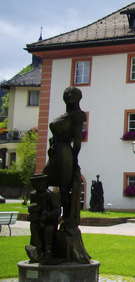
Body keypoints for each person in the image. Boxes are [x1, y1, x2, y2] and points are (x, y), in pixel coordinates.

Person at [43, 86, 86, 225]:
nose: (68, 96)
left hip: (66, 152)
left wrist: (73, 159)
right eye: (66, 93)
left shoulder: (78, 115)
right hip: (55, 151)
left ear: (78, 98)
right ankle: (49, 211)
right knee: (42, 181)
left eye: (71, 94)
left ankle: (67, 219)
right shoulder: (64, 115)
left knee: (64, 187)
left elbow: (78, 142)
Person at [27, 174, 61, 263]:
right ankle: (39, 250)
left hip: (50, 221)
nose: (37, 187)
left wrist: (47, 215)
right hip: (38, 220)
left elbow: (57, 211)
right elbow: (32, 209)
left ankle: (48, 251)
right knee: (33, 228)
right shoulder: (33, 195)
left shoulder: (51, 195)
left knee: (48, 229)